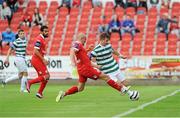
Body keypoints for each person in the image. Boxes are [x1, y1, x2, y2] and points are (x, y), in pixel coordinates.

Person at [56, 33, 139, 102]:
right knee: (106, 77)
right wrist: (72, 62)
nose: (86, 41)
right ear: (83, 39)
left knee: (80, 88)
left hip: (81, 69)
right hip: (87, 69)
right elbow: (72, 50)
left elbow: (83, 57)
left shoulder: (81, 47)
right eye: (85, 40)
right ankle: (124, 90)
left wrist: (89, 52)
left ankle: (64, 93)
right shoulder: (78, 44)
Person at [26, 26, 50, 99]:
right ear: (41, 32)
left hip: (38, 60)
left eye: (47, 31)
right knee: (46, 76)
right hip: (37, 60)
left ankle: (39, 93)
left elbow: (40, 51)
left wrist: (43, 59)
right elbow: (35, 51)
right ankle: (30, 82)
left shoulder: (42, 39)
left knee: (46, 77)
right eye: (45, 31)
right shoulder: (39, 39)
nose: (47, 32)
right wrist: (43, 59)